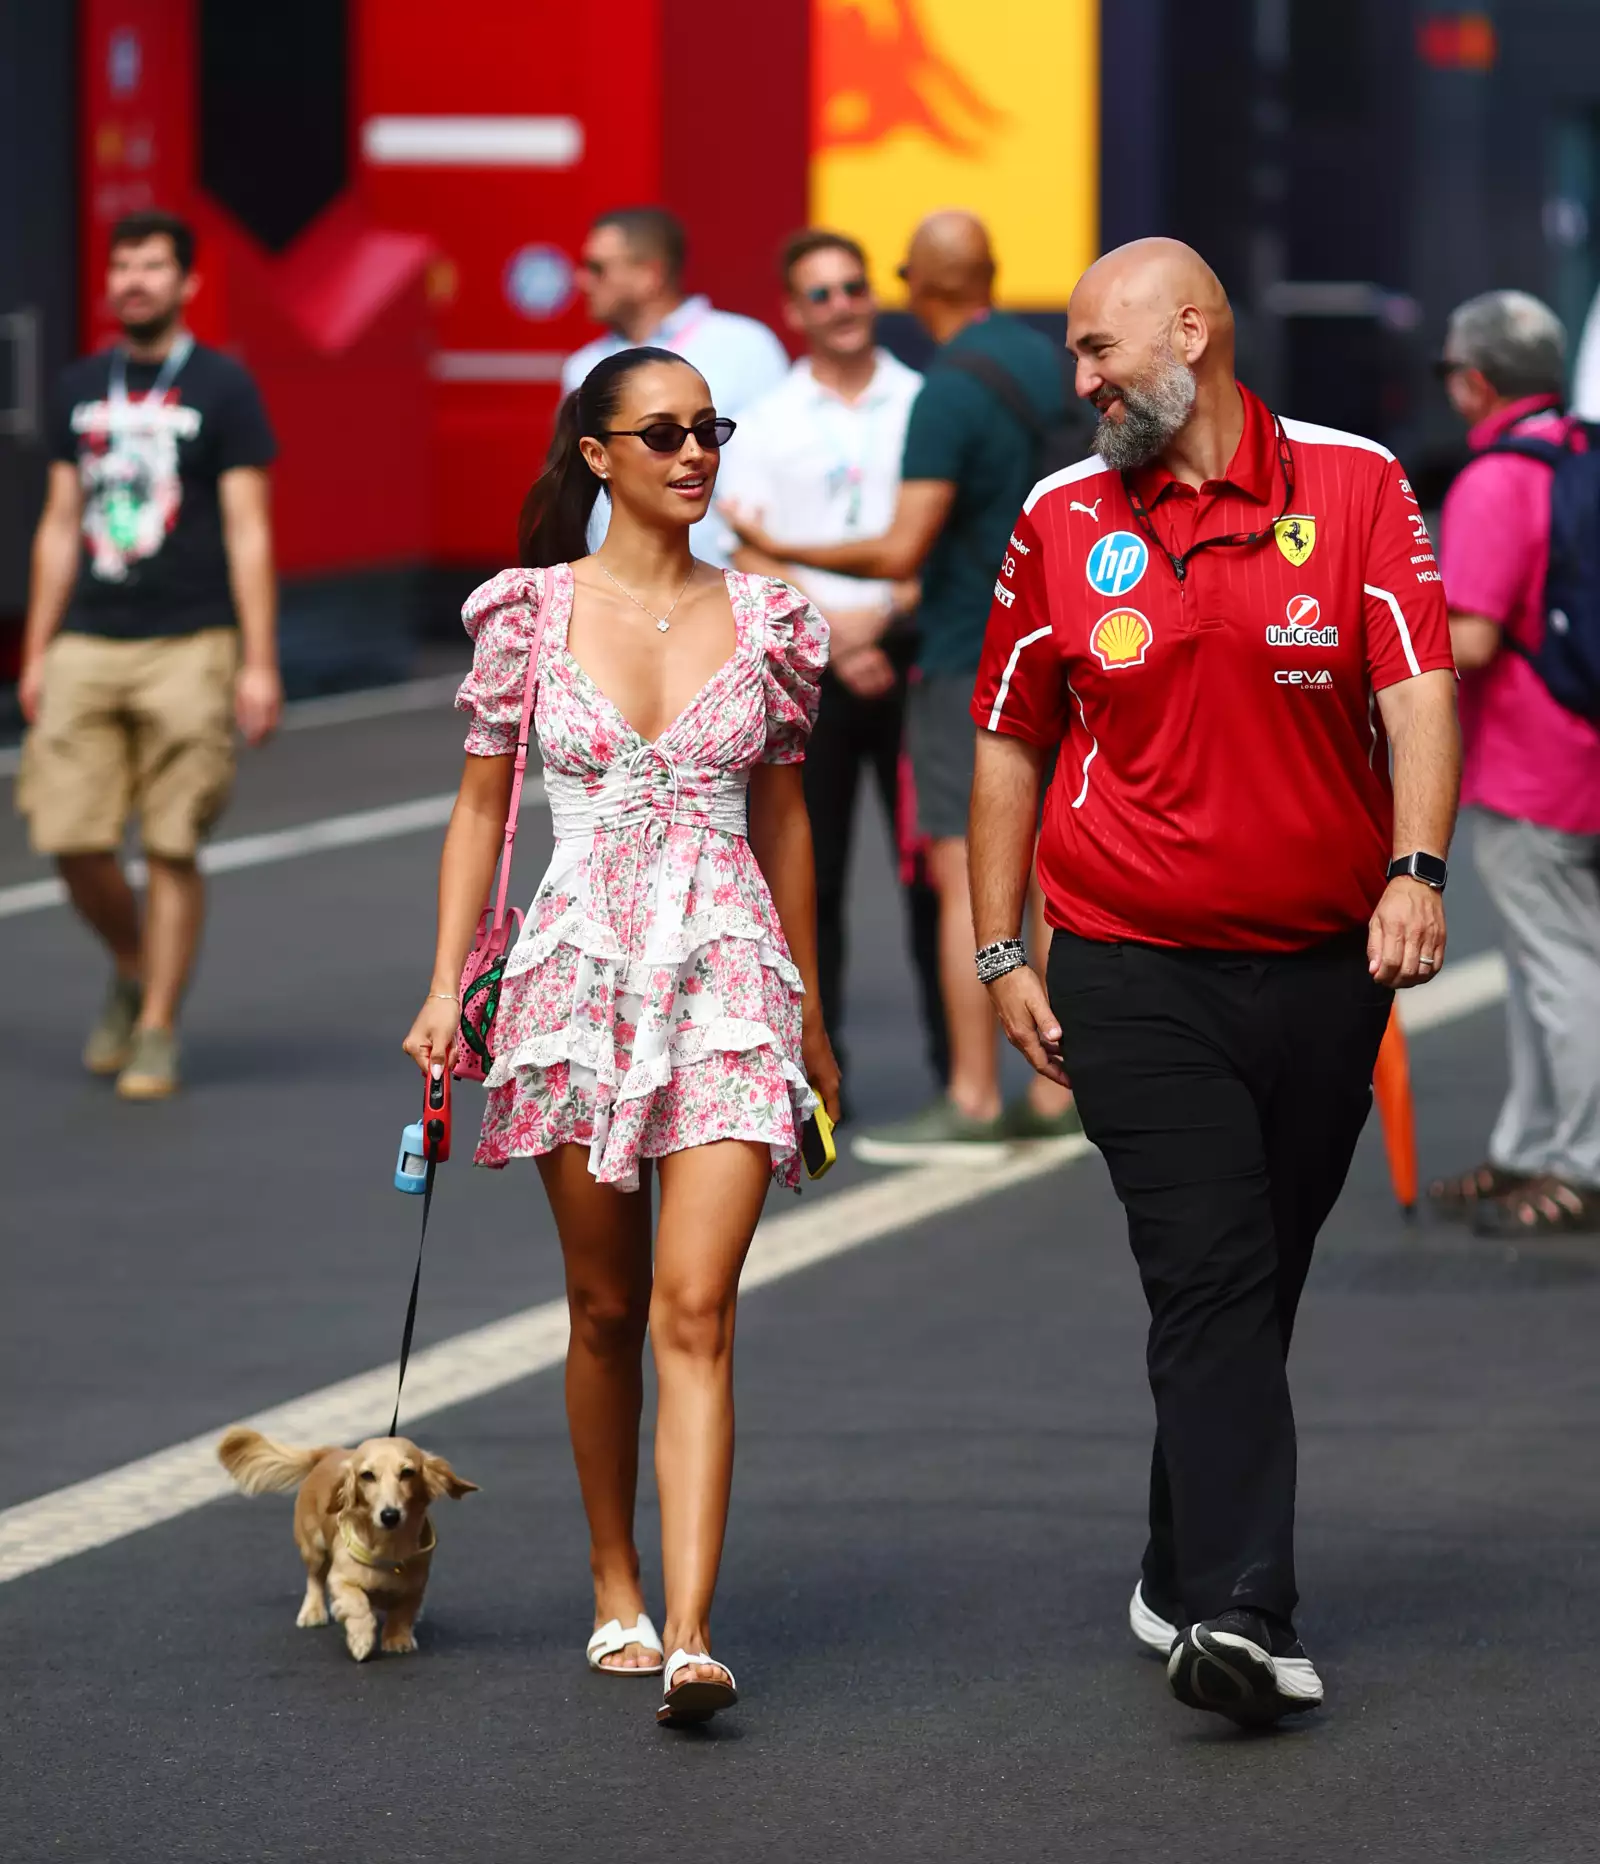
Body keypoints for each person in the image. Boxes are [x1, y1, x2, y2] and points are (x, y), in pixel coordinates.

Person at [969, 238, 1459, 1725]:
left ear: (1193, 332)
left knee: (1258, 1279)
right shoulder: (1061, 517)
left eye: (1096, 348)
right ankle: (1249, 1613)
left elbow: (1419, 688)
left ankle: (1179, 1555)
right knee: (1213, 1269)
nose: (1080, 379)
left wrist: (1416, 873)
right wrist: (1003, 946)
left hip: (1324, 968)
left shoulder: (1359, 483)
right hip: (1130, 966)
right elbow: (1007, 737)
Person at [402, 347, 838, 1727]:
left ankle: (697, 1634)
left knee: (694, 1308)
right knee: (602, 1308)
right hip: (575, 973)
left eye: (710, 427)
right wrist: (440, 988)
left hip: (727, 972)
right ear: (597, 454)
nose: (694, 452)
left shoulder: (769, 616)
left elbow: (785, 822)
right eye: (662, 433)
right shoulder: (527, 615)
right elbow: (482, 810)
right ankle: (614, 1586)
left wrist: (811, 1016)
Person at [723, 210, 1076, 1160]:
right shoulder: (1051, 363)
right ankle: (1054, 1096)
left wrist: (774, 546)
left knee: (965, 881)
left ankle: (969, 1096)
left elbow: (901, 546)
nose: (849, 303)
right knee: (1042, 876)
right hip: (1053, 649)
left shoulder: (944, 391)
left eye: (864, 283)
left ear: (916, 285)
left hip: (961, 656)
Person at [15, 208, 280, 1100]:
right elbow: (59, 522)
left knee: (171, 842)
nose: (134, 280)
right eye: (122, 265)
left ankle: (158, 1023)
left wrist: (257, 660)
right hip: (89, 634)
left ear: (186, 282)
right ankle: (134, 965)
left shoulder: (223, 386)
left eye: (153, 266)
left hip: (191, 640)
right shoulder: (79, 384)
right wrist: (39, 647)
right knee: (69, 834)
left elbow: (248, 530)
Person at [718, 228, 947, 1108]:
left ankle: (951, 1074)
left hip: (911, 654)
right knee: (807, 879)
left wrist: (881, 619)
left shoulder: (922, 399)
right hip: (809, 669)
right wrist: (841, 640)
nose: (842, 305)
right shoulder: (769, 416)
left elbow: (948, 534)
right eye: (821, 294)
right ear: (792, 312)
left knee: (933, 875)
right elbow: (748, 548)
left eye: (854, 287)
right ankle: (819, 1073)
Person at [1427, 291, 1600, 1234]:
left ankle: (1581, 1163)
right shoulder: (1581, 454)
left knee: (1561, 966)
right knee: (1551, 964)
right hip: (1584, 747)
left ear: (1478, 381)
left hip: (1534, 763)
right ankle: (1532, 1147)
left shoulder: (1497, 478)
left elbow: (1477, 636)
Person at [563, 207, 789, 566]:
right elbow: (573, 490)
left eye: (597, 268)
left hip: (725, 589)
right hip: (612, 593)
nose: (581, 280)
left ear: (649, 274)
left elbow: (785, 471)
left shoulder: (746, 347)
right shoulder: (582, 367)